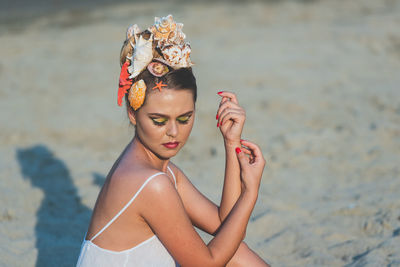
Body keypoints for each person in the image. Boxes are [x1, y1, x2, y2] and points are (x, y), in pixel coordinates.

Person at [76, 15, 269, 267]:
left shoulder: (162, 171)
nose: (173, 132)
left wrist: (231, 142)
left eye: (184, 118)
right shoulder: (150, 182)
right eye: (158, 120)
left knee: (236, 253)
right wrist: (250, 192)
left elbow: (225, 225)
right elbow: (207, 265)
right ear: (133, 114)